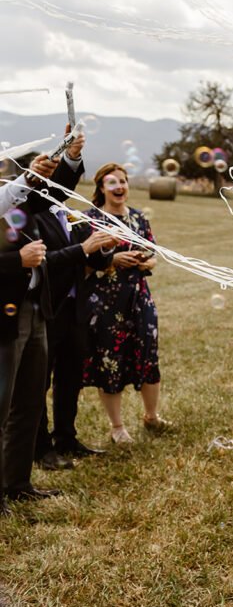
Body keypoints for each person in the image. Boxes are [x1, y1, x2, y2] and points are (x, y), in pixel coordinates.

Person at [1, 134, 86, 515]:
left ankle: (17, 483)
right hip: (5, 315)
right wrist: (15, 261)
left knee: (30, 402)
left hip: (35, 309)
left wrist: (68, 159)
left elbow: (51, 194)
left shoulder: (15, 199)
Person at [81, 163, 168, 445]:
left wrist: (144, 261)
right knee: (110, 361)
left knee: (148, 354)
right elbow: (81, 261)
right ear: (101, 188)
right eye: (112, 182)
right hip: (105, 302)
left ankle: (151, 416)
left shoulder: (139, 219)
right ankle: (117, 427)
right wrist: (112, 261)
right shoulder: (89, 219)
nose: (119, 187)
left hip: (139, 298)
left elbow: (153, 255)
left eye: (123, 181)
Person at [33, 201, 116, 469]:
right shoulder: (31, 213)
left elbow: (95, 260)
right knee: (38, 381)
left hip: (75, 309)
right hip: (46, 309)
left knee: (70, 377)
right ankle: (41, 448)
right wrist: (82, 248)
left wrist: (106, 246)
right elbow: (43, 262)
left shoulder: (71, 214)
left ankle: (66, 439)